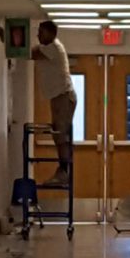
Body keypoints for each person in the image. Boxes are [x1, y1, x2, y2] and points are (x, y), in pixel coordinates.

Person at [31, 21, 77, 187]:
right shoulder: (51, 47)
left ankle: (64, 171)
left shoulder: (53, 48)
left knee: (61, 133)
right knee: (58, 133)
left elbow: (30, 53)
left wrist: (6, 38)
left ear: (51, 34)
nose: (38, 36)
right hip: (59, 96)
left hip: (63, 96)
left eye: (41, 32)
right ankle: (63, 169)